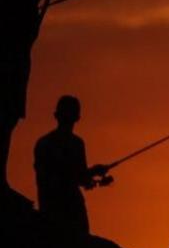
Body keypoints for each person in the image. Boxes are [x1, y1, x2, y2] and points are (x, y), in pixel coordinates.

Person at [1, 0, 63, 195]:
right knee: (3, 115)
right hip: (7, 56)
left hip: (16, 54)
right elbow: (17, 4)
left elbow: (23, 4)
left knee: (8, 116)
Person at [33, 95, 111, 235]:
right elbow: (79, 177)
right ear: (77, 118)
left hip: (48, 205)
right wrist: (95, 171)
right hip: (71, 208)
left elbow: (46, 177)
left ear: (56, 115)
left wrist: (91, 176)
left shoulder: (43, 143)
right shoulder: (76, 144)